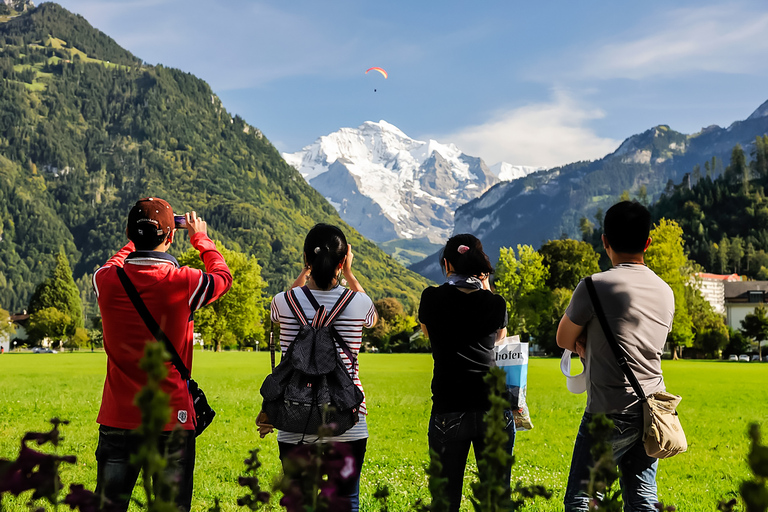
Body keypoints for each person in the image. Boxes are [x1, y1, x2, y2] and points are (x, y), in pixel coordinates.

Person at [92, 197, 232, 511]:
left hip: (118, 418)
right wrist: (200, 238)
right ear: (170, 238)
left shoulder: (106, 281)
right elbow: (223, 278)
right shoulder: (185, 282)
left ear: (128, 232)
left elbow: (113, 264)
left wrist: (134, 242)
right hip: (172, 420)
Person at [557, 201, 674, 512]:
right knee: (643, 499)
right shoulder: (665, 291)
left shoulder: (593, 287)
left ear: (605, 241)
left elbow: (563, 338)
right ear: (648, 242)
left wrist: (585, 343)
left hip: (607, 409)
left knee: (581, 500)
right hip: (652, 408)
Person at [266, 223, 377, 512]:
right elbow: (372, 318)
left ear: (307, 259)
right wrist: (350, 274)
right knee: (345, 501)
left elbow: (282, 307)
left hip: (294, 417)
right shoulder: (358, 302)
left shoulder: (283, 301)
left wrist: (304, 272)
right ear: (342, 261)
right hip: (347, 418)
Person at [418, 233, 514, 512]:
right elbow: (499, 337)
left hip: (449, 406)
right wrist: (485, 285)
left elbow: (428, 332)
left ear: (446, 264)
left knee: (445, 501)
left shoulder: (432, 298)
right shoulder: (495, 303)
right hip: (492, 407)